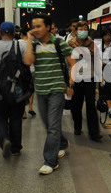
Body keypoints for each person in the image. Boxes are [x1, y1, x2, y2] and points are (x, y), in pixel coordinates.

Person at [24, 14, 76, 175]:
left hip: (56, 90)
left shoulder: (60, 43)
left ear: (48, 27)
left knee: (53, 126)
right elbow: (28, 61)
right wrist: (29, 41)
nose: (35, 29)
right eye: (33, 27)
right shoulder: (34, 45)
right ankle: (61, 143)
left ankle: (50, 161)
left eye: (38, 26)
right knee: (49, 124)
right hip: (41, 90)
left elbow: (73, 63)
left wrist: (70, 84)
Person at [0, 22, 28, 157]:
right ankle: (15, 147)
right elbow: (28, 66)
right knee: (16, 118)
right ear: (14, 33)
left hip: (0, 90)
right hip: (18, 90)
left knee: (0, 118)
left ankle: (4, 139)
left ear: (0, 33)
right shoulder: (22, 45)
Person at [68, 21, 103, 142]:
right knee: (76, 104)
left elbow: (98, 59)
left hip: (90, 77)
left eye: (85, 29)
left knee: (90, 105)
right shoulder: (70, 43)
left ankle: (94, 133)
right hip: (77, 77)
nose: (84, 31)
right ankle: (77, 126)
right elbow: (68, 61)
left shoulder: (93, 44)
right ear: (76, 31)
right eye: (81, 29)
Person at [19, 27, 36, 119]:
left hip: (21, 70)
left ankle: (23, 112)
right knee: (31, 88)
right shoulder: (33, 44)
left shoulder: (17, 43)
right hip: (32, 69)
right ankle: (30, 107)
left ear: (21, 34)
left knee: (21, 90)